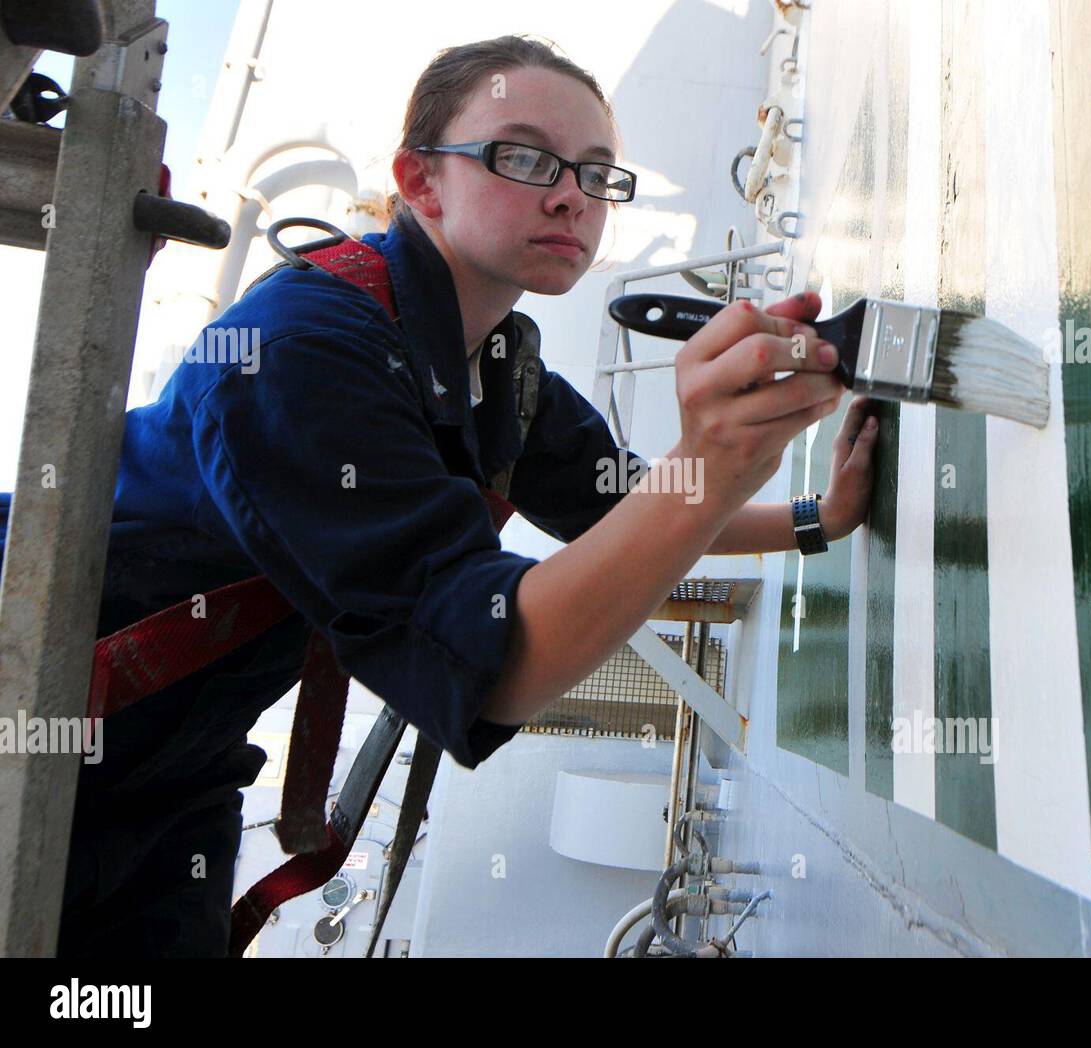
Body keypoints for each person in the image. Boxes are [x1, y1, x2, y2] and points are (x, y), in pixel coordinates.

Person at [0, 34, 879, 957]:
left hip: (172, 774)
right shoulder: (300, 347)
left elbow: (631, 504)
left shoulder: (503, 364)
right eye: (526, 156)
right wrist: (717, 456)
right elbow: (497, 662)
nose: (571, 194)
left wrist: (819, 517)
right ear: (420, 182)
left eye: (596, 173)